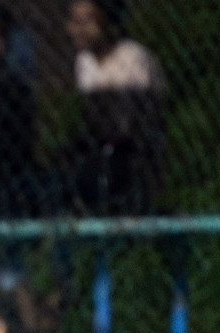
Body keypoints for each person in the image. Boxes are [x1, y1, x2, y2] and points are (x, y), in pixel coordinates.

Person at [65, 0, 166, 214]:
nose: (79, 30)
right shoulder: (84, 62)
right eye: (75, 21)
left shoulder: (131, 57)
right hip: (99, 142)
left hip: (132, 146)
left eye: (88, 21)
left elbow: (135, 118)